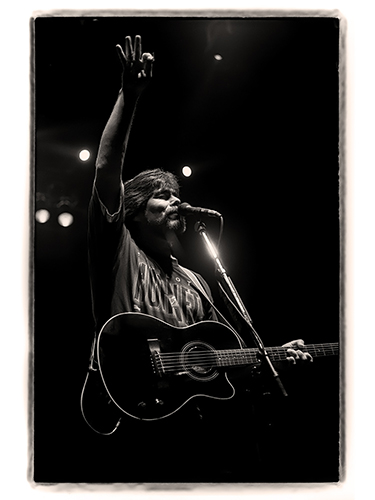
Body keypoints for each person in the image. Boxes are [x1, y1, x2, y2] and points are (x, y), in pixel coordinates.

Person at [86, 35, 312, 483]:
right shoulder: (118, 248)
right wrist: (128, 98)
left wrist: (272, 357)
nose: (174, 201)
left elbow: (219, 357)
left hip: (189, 429)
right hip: (132, 411)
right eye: (161, 195)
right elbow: (107, 168)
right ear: (133, 211)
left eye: (177, 195)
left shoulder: (195, 280)